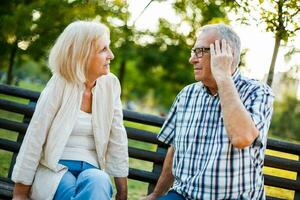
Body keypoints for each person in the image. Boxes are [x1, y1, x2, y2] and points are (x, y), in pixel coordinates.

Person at [143, 23, 274, 200]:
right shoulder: (187, 94)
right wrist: (157, 194)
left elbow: (242, 138)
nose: (192, 59)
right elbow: (175, 149)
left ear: (225, 55)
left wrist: (223, 77)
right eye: (193, 52)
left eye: (200, 51)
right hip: (183, 195)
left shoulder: (258, 92)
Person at [11, 20, 128, 200]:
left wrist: (122, 192)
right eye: (103, 49)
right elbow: (36, 134)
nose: (111, 55)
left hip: (92, 168)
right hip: (55, 168)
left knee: (99, 182)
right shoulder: (60, 83)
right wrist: (20, 193)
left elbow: (117, 136)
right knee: (67, 190)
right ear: (83, 54)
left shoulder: (111, 84)